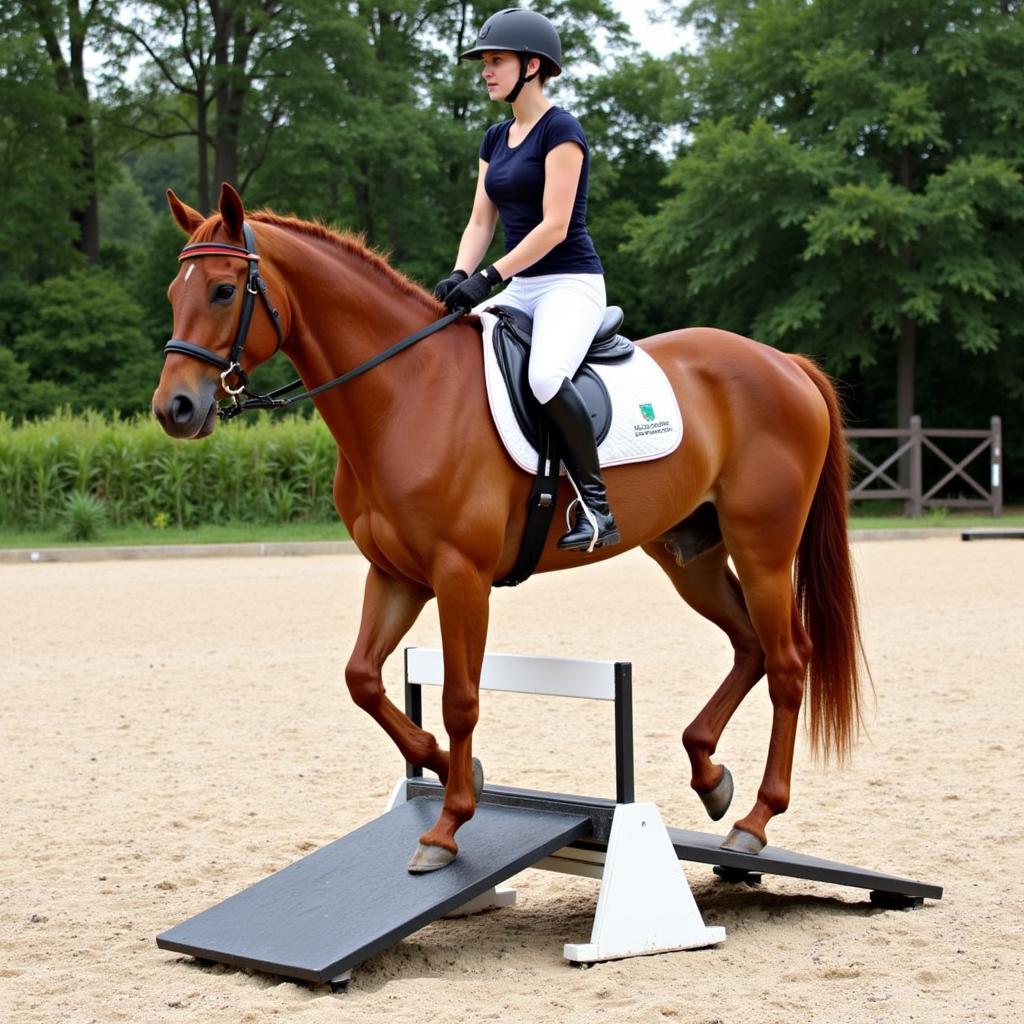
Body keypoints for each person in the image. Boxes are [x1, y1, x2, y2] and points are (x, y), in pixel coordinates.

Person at [433, 7, 619, 553]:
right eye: (484, 63)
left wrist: (489, 275)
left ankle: (596, 505)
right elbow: (480, 220)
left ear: (532, 66)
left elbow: (556, 227)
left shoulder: (562, 130)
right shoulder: (495, 137)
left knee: (543, 378)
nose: (486, 72)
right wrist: (461, 273)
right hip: (521, 285)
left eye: (496, 62)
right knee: (454, 348)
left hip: (570, 282)